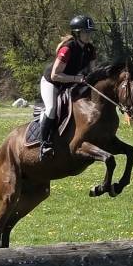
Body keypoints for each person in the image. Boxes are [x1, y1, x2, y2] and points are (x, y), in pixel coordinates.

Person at [38, 14, 97, 159]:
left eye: (90, 32)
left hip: (71, 84)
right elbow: (55, 75)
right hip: (52, 83)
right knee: (51, 108)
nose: (89, 35)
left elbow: (93, 72)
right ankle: (44, 144)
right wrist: (77, 78)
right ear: (77, 33)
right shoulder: (67, 49)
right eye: (85, 32)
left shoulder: (90, 49)